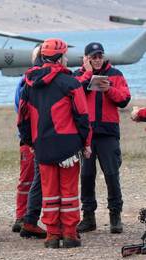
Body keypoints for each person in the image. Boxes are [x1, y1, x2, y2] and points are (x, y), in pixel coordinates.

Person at [18, 38, 92, 248]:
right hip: (68, 146)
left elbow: (22, 118)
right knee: (68, 192)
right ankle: (70, 234)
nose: (67, 59)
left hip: (42, 145)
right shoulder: (71, 83)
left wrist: (29, 141)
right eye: (65, 55)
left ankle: (52, 235)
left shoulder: (29, 84)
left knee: (49, 192)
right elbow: (82, 116)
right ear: (60, 58)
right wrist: (86, 143)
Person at [74, 42, 131, 234]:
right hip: (87, 135)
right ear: (86, 58)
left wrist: (109, 89)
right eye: (93, 57)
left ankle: (116, 216)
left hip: (108, 134)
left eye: (99, 56)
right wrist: (88, 73)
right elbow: (75, 94)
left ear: (103, 56)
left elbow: (124, 99)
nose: (97, 59)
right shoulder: (78, 75)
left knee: (112, 175)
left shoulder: (116, 74)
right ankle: (88, 217)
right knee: (87, 176)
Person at [12, 45, 46, 239]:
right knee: (27, 178)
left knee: (39, 180)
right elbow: (20, 107)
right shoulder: (24, 82)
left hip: (39, 138)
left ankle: (32, 218)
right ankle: (21, 217)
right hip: (29, 139)